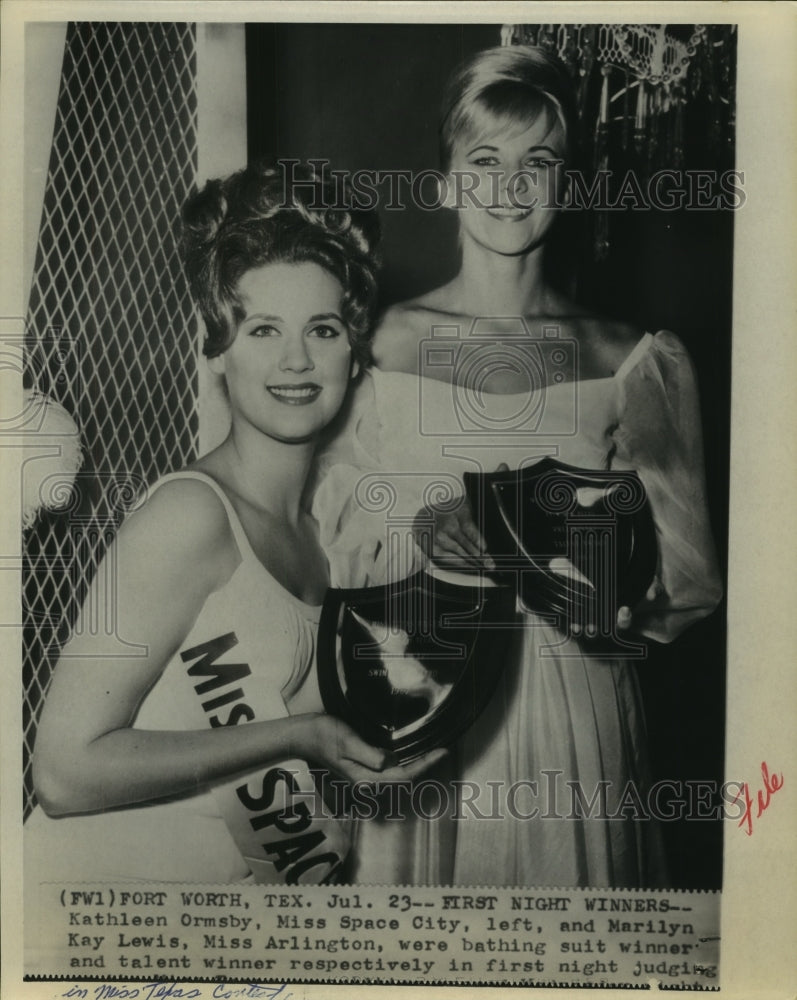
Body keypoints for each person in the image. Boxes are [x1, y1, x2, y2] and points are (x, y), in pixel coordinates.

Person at [313, 46, 723, 887]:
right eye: (483, 161)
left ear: (568, 186)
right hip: (417, 688)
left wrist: (524, 526)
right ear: (444, 182)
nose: (508, 187)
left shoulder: (628, 360)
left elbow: (685, 581)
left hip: (571, 714)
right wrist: (421, 522)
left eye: (536, 163)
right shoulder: (375, 342)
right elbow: (321, 530)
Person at [25, 162, 444, 888]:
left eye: (322, 328)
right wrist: (300, 736)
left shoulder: (325, 533)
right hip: (93, 914)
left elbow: (259, 775)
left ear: (355, 346)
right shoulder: (189, 516)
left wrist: (347, 770)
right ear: (218, 349)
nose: (294, 361)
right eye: (262, 329)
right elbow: (63, 773)